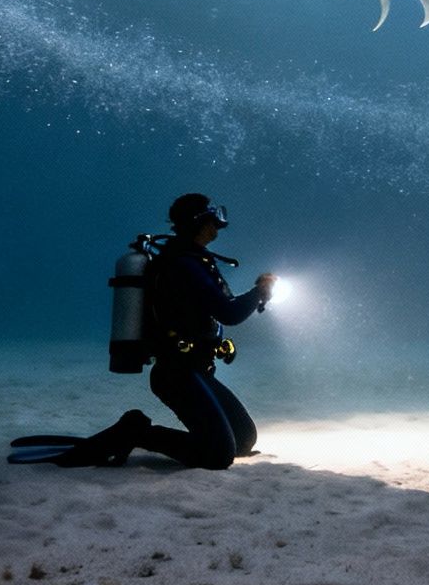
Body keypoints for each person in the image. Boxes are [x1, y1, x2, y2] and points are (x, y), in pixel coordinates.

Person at [53, 193, 275, 469]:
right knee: (218, 456)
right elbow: (228, 313)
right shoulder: (183, 264)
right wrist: (259, 292)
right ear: (197, 223)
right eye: (211, 220)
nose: (217, 226)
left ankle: (147, 433)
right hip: (176, 374)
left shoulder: (195, 259)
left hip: (197, 369)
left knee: (244, 439)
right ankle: (137, 431)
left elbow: (217, 310)